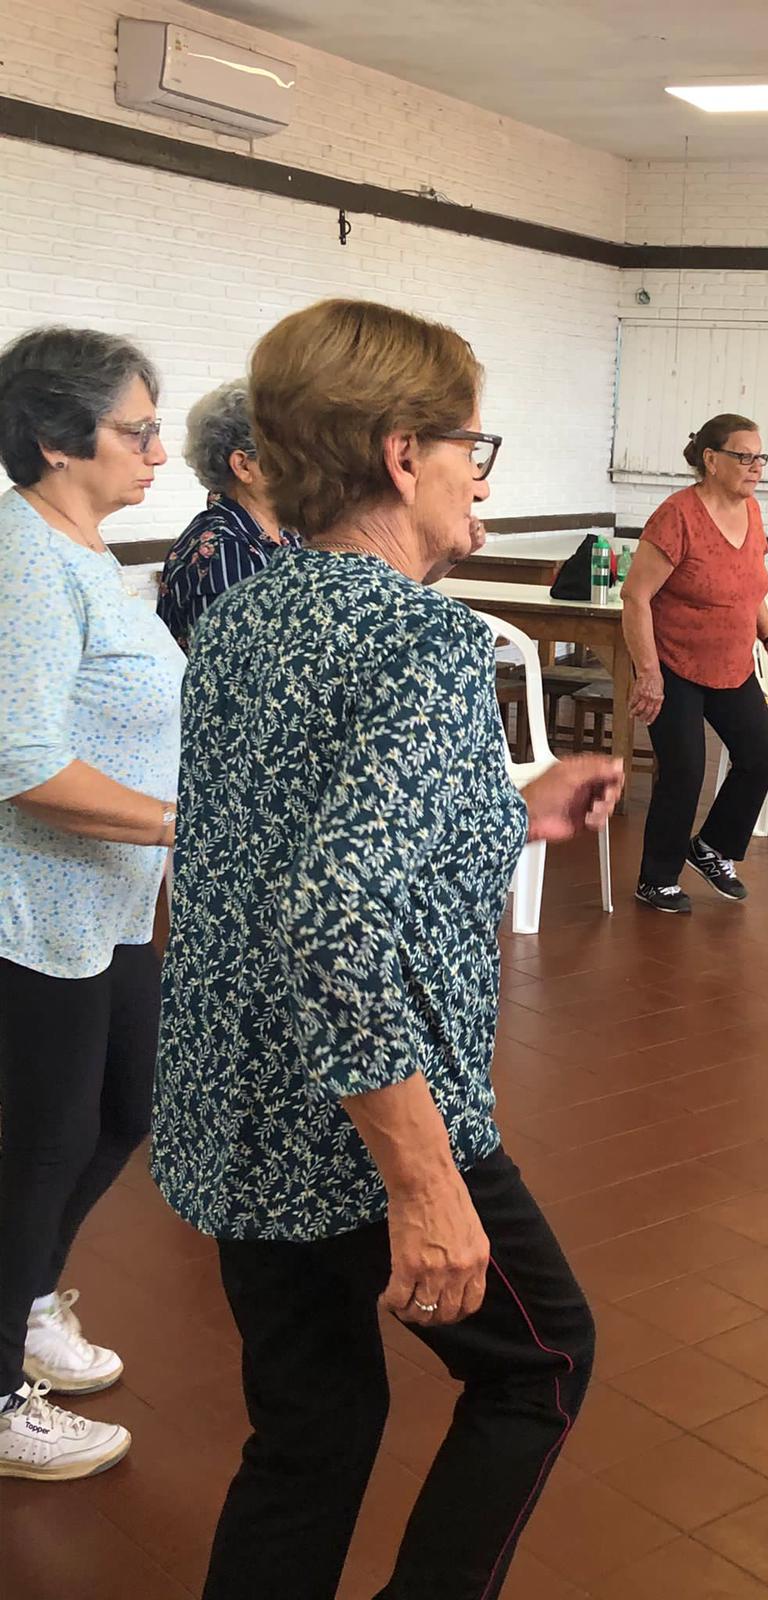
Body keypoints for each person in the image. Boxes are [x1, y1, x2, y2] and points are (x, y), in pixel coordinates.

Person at [151, 298, 622, 1600]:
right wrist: (421, 1179)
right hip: (358, 1119)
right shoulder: (424, 638)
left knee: (310, 1433)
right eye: (475, 444)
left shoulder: (247, 609)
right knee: (542, 1365)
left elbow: (297, 835)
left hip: (239, 1102)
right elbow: (333, 908)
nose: (483, 475)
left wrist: (510, 809)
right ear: (404, 455)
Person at [0, 327, 184, 1480]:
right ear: (58, 438)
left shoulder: (80, 550)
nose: (160, 452)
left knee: (125, 1105)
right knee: (40, 1143)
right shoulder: (23, 558)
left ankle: (23, 1300)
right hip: (30, 912)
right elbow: (21, 759)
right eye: (138, 430)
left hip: (105, 908)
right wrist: (182, 823)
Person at [621, 413, 768, 913]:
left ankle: (711, 847)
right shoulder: (677, 516)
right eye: (744, 456)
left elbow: (749, 587)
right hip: (672, 662)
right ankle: (657, 878)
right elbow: (635, 597)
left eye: (760, 457)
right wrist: (649, 672)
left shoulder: (752, 511)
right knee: (684, 770)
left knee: (762, 756)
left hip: (731, 664)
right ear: (711, 459)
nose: (756, 466)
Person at [157, 380, 301, 649]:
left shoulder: (283, 534)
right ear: (243, 466)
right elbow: (238, 668)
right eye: (290, 452)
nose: (307, 464)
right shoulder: (224, 550)